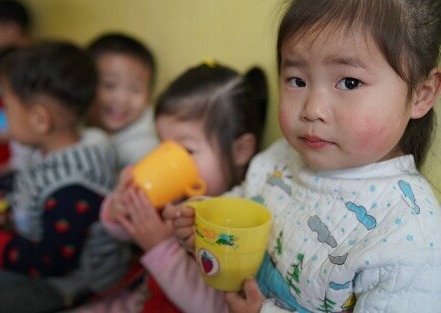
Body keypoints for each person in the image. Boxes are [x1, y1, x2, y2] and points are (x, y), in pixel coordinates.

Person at [165, 0, 441, 312]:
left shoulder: (411, 235)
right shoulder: (284, 155)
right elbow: (248, 202)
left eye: (349, 82)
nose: (312, 109)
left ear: (422, 93)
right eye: (297, 81)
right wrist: (207, 223)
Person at [76, 61, 268, 312]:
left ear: (240, 150)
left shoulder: (239, 225)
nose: (170, 159)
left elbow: (215, 307)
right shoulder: (175, 197)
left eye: (187, 149)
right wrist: (119, 208)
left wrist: (160, 247)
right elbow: (124, 229)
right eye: (164, 144)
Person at [0, 41, 123, 313]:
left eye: (7, 107)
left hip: (68, 285)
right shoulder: (49, 148)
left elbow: (51, 261)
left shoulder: (74, 186)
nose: (3, 116)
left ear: (40, 120)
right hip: (32, 253)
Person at [87, 33, 159, 170]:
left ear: (150, 95)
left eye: (135, 89)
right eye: (109, 85)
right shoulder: (73, 124)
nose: (122, 100)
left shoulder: (145, 148)